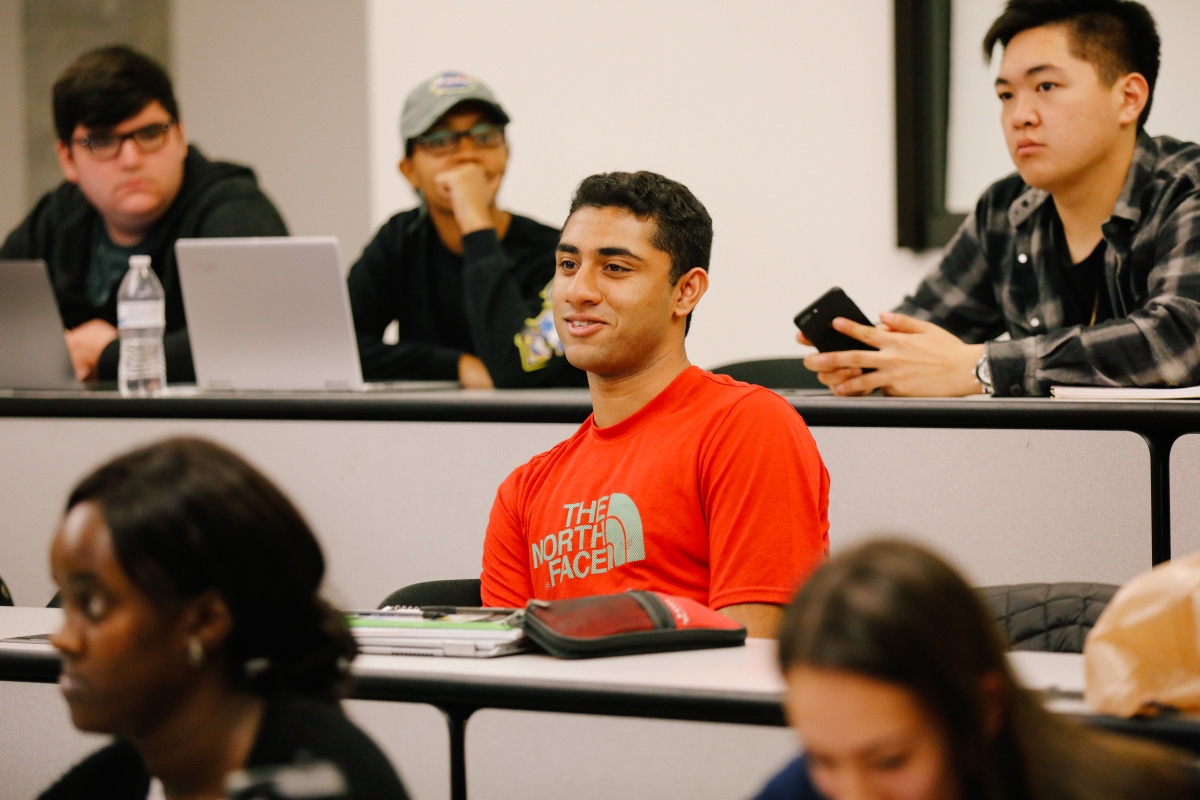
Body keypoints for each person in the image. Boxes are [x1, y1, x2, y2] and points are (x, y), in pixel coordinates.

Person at [481, 171, 829, 638]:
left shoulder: (747, 427)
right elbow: (505, 688)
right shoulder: (523, 492)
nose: (577, 291)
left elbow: (756, 659)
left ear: (685, 291)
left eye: (615, 268)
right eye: (567, 264)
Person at [803, 0, 1200, 398]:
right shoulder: (1005, 209)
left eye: (1046, 87)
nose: (1019, 116)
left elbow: (1181, 339)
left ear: (1129, 97)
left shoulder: (1186, 188)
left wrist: (981, 368)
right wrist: (876, 361)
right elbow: (928, 335)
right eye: (1006, 95)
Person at [40, 437, 409, 800]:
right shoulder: (113, 778)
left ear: (204, 621)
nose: (63, 639)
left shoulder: (330, 783)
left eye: (92, 606)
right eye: (66, 603)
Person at [753, 539, 1199, 800]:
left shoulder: (1126, 792)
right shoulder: (804, 789)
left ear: (983, 709)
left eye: (891, 762)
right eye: (822, 759)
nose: (854, 794)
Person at [0, 46, 288, 386]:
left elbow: (256, 343)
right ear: (67, 159)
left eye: (150, 134)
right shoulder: (55, 220)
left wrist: (107, 354)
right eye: (102, 142)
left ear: (179, 136)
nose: (131, 159)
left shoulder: (235, 212)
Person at [347, 71, 587, 389]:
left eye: (485, 136)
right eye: (440, 141)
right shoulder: (402, 239)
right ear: (409, 171)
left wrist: (474, 222)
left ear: (506, 154)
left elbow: (515, 369)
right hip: (431, 432)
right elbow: (335, 349)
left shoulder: (556, 253)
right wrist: (456, 365)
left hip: (542, 432)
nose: (467, 154)